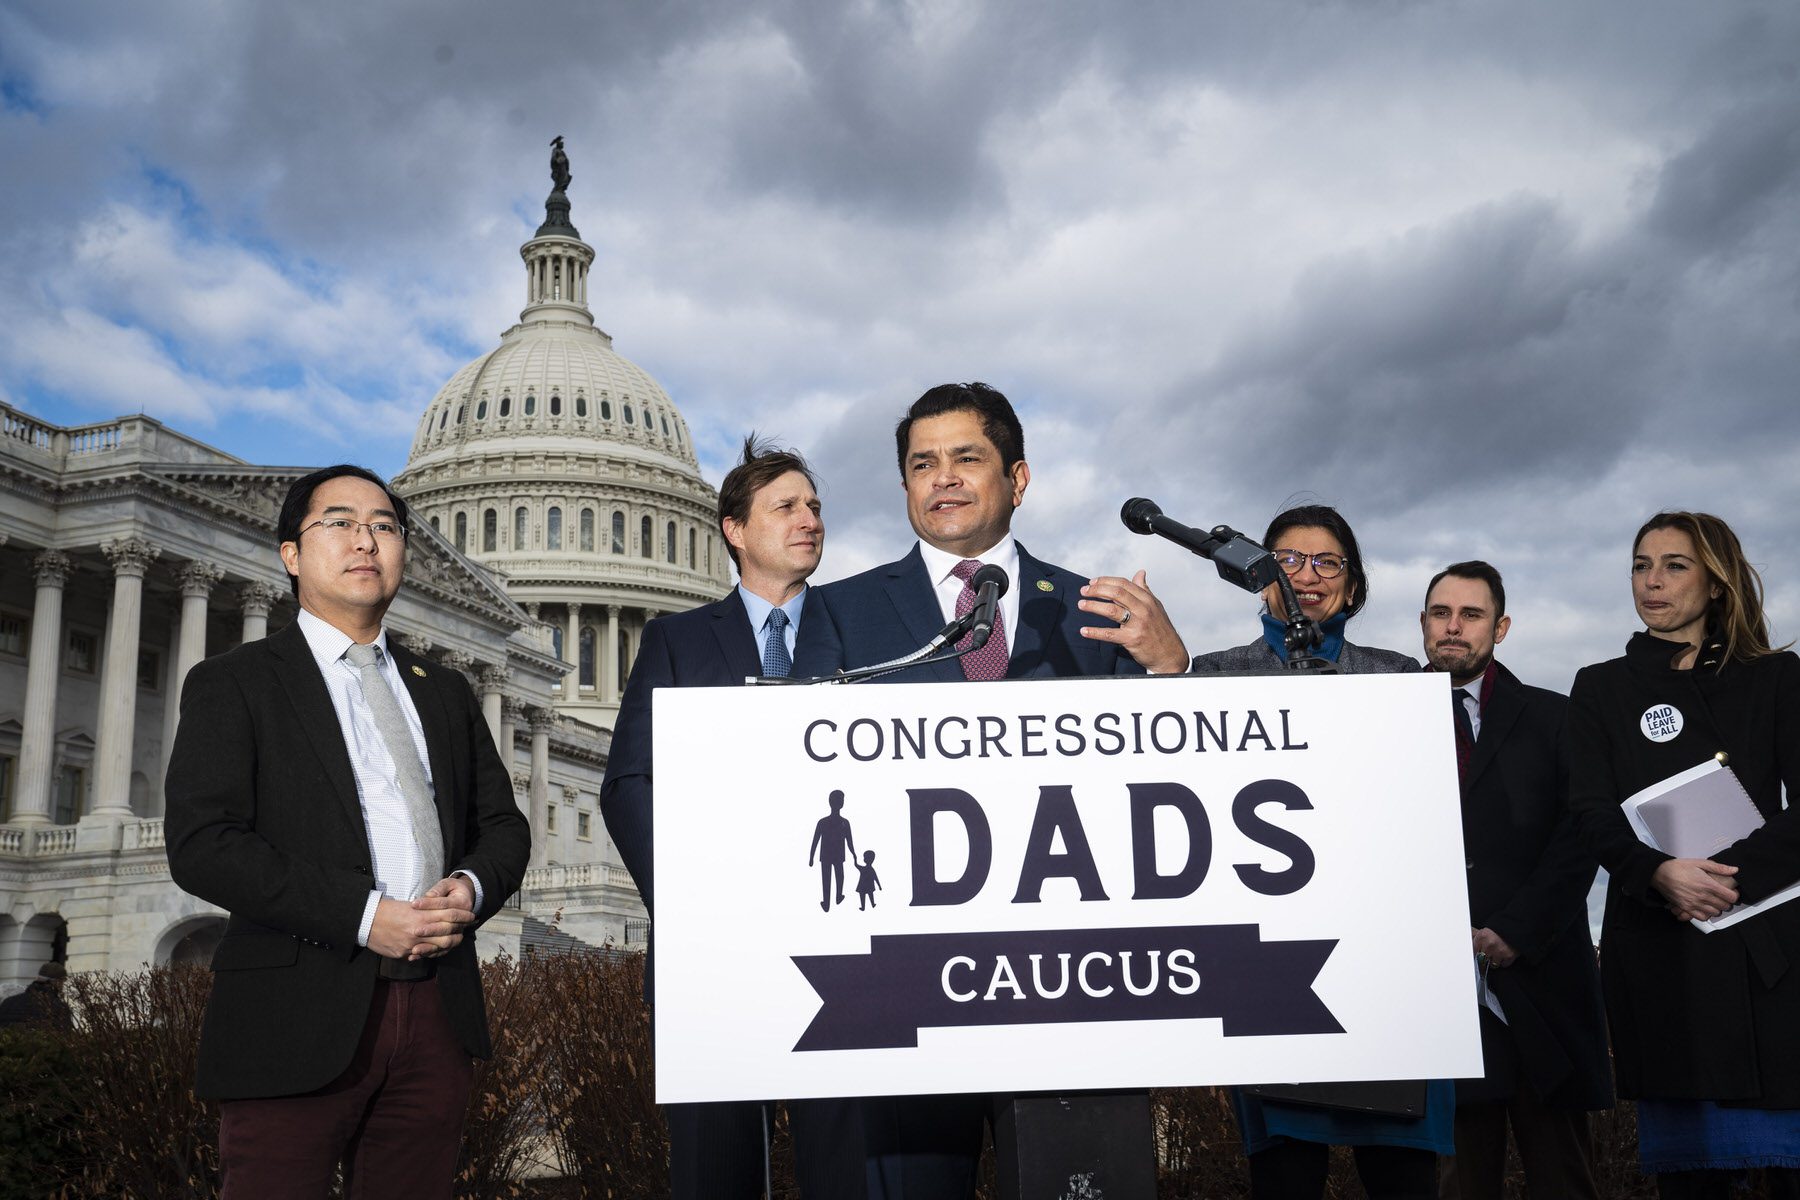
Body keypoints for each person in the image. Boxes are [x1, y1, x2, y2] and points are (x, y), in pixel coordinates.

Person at [796, 381, 1188, 1200]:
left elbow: (1164, 796)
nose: (943, 478)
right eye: (922, 464)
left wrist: (1171, 672)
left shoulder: (1099, 615)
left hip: (1067, 994)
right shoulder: (834, 615)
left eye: (966, 459)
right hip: (904, 1000)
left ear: (1018, 477)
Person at [164, 464, 530, 1199]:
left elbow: (502, 827)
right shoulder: (235, 681)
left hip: (436, 1006)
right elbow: (204, 843)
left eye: (385, 527)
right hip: (293, 1014)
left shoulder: (446, 689)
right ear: (291, 554)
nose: (366, 541)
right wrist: (365, 917)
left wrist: (470, 885)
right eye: (339, 523)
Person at [600, 437, 864, 1200]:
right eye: (786, 506)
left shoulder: (863, 636)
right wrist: (692, 906)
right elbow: (629, 783)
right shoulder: (676, 641)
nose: (809, 519)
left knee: (846, 1166)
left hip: (841, 949)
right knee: (715, 1170)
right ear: (735, 529)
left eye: (815, 506)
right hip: (710, 952)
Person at [1191, 503, 1447, 1199]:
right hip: (1277, 967)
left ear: (1354, 587)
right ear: (1255, 575)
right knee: (1285, 1175)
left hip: (1386, 967)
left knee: (1401, 1176)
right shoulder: (1208, 680)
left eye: (1327, 562)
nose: (1306, 575)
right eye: (1287, 560)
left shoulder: (1402, 682)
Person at [1567, 512, 1800, 1199]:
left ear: (1718, 582)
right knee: (1695, 1183)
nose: (1652, 580)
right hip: (1664, 956)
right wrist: (1657, 874)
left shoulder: (1778, 677)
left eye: (1674, 565)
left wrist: (1730, 881)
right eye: (1642, 565)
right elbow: (1588, 813)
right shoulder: (1600, 686)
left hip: (1767, 955)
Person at [1419, 562, 1610, 1200]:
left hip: (1542, 982)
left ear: (1500, 628)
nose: (1453, 627)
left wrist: (1515, 932)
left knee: (1565, 1178)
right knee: (1460, 1182)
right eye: (1440, 613)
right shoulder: (1378, 720)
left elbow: (1580, 836)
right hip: (1433, 992)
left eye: (1471, 615)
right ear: (1423, 624)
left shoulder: (1558, 719)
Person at [0, 961, 71, 1032]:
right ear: (57, 982)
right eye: (63, 981)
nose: (62, 986)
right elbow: (64, 1038)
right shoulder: (59, 1008)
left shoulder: (8, 1002)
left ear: (37, 978)